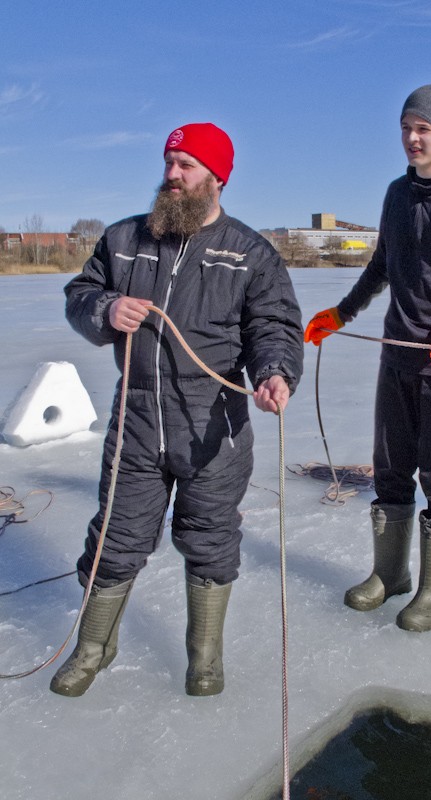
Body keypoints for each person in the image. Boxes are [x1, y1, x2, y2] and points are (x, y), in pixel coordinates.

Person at [50, 122, 304, 697]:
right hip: (136, 420)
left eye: (186, 166)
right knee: (115, 538)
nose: (172, 176)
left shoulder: (250, 253)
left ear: (217, 177)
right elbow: (79, 295)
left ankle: (204, 658)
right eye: (169, 163)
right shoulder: (122, 240)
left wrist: (274, 373)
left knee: (211, 541)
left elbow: (274, 326)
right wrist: (105, 309)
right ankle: (94, 648)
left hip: (215, 427)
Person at [305, 85, 431, 632]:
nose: (412, 138)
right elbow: (381, 267)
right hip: (397, 353)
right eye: (405, 127)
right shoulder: (396, 194)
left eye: (423, 128)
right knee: (391, 472)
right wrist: (342, 313)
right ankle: (390, 574)